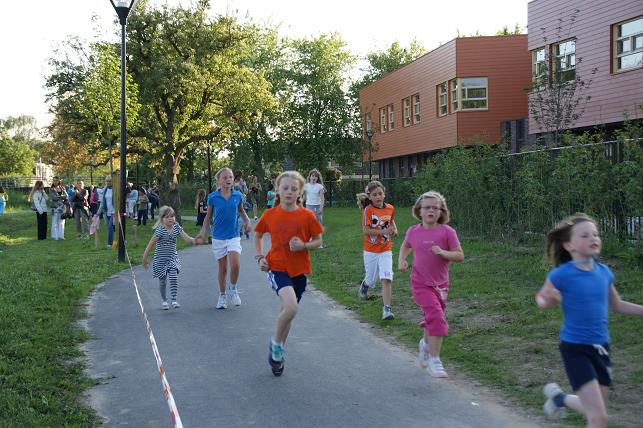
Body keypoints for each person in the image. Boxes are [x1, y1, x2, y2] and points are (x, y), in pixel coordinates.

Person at [534, 213, 643, 427]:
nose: (593, 238)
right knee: (598, 417)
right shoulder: (561, 274)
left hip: (602, 348)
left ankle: (559, 398)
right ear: (568, 245)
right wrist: (549, 300)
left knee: (594, 408)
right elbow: (541, 299)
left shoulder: (604, 272)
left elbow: (617, 305)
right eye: (585, 235)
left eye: (595, 234)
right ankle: (560, 399)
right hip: (576, 349)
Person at [253, 171, 324, 376]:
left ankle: (278, 355)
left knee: (288, 313)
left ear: (300, 192)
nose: (289, 192)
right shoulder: (270, 214)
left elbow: (318, 240)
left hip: (299, 271)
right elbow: (258, 235)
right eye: (285, 188)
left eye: (294, 189)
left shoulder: (307, 216)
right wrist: (260, 257)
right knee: (291, 308)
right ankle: (276, 344)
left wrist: (303, 245)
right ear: (278, 190)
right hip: (277, 268)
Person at [398, 191, 464, 378]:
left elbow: (459, 255)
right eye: (427, 207)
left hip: (441, 285)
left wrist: (443, 253)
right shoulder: (413, 231)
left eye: (435, 208)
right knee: (436, 317)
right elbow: (406, 245)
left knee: (433, 317)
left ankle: (425, 345)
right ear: (419, 210)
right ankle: (435, 360)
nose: (431, 211)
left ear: (441, 211)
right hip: (420, 283)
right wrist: (401, 260)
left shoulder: (447, 232)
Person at [196, 168, 251, 309]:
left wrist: (247, 221)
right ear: (219, 180)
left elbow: (241, 211)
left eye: (230, 177)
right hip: (219, 237)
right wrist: (202, 233)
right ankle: (222, 296)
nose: (228, 179)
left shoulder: (238, 195)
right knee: (223, 268)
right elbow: (208, 217)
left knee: (236, 264)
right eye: (225, 177)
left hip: (233, 236)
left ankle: (232, 289)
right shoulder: (212, 197)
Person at [356, 181, 398, 320]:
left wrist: (394, 230)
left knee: (386, 277)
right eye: (375, 195)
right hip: (371, 251)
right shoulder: (368, 210)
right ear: (369, 196)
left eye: (380, 194)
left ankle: (387, 309)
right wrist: (384, 231)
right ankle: (365, 285)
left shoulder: (390, 208)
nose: (378, 197)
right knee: (371, 279)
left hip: (386, 249)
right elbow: (366, 230)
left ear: (384, 194)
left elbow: (391, 223)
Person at [143, 206, 197, 310]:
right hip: (160, 260)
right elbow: (150, 245)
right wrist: (144, 258)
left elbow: (187, 239)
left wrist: (196, 240)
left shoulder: (176, 228)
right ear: (162, 219)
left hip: (172, 258)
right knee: (162, 281)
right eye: (167, 217)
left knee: (173, 277)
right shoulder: (160, 230)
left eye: (172, 216)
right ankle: (164, 300)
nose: (170, 218)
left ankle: (174, 300)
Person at [96, 176, 115, 247]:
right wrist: (98, 212)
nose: (108, 182)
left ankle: (110, 243)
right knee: (112, 227)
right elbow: (103, 202)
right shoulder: (105, 190)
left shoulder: (115, 190)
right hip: (107, 212)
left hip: (114, 212)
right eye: (107, 181)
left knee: (110, 227)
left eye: (110, 181)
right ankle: (120, 239)